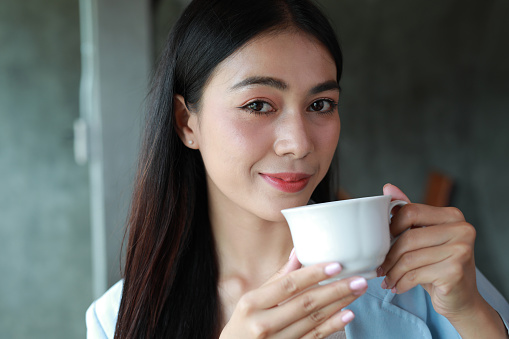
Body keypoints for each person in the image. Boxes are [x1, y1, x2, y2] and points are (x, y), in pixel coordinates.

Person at [86, 0, 509, 338]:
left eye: (320, 105)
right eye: (257, 105)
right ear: (186, 122)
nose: (299, 143)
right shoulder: (116, 321)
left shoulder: (427, 281)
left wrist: (472, 313)